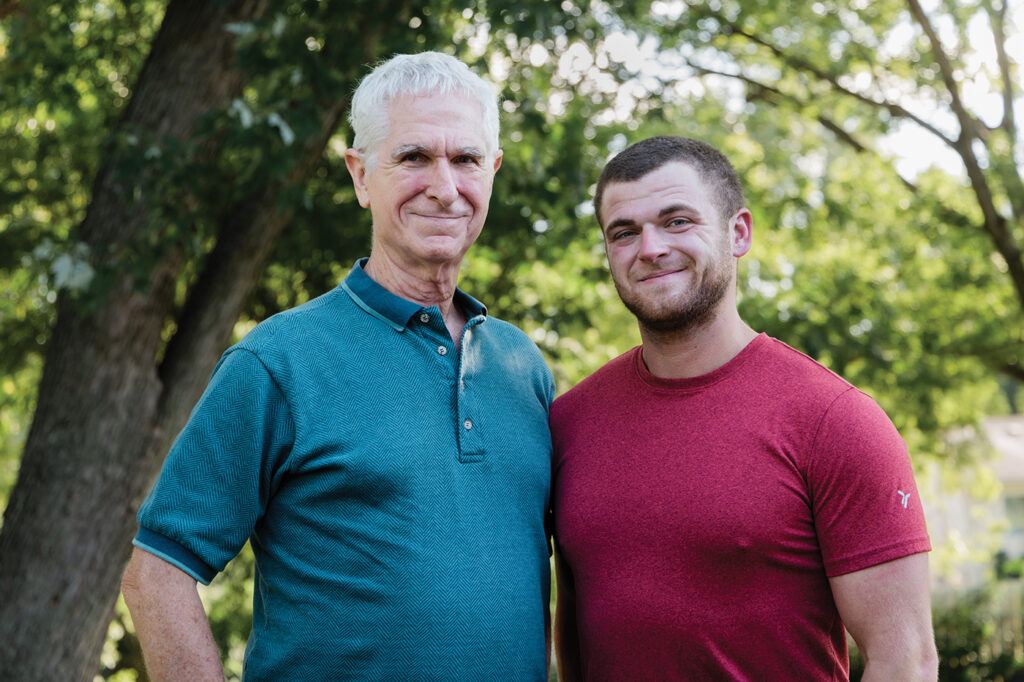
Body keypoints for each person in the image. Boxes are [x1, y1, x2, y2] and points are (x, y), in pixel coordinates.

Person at [121, 52, 555, 680]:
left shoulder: (522, 366)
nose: (444, 185)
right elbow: (157, 571)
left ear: (492, 172)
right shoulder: (277, 362)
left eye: (465, 159)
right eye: (412, 157)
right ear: (360, 176)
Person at [551, 135, 938, 681]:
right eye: (624, 232)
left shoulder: (835, 421)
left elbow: (906, 661)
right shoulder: (570, 423)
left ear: (739, 232)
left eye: (678, 221)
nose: (651, 247)